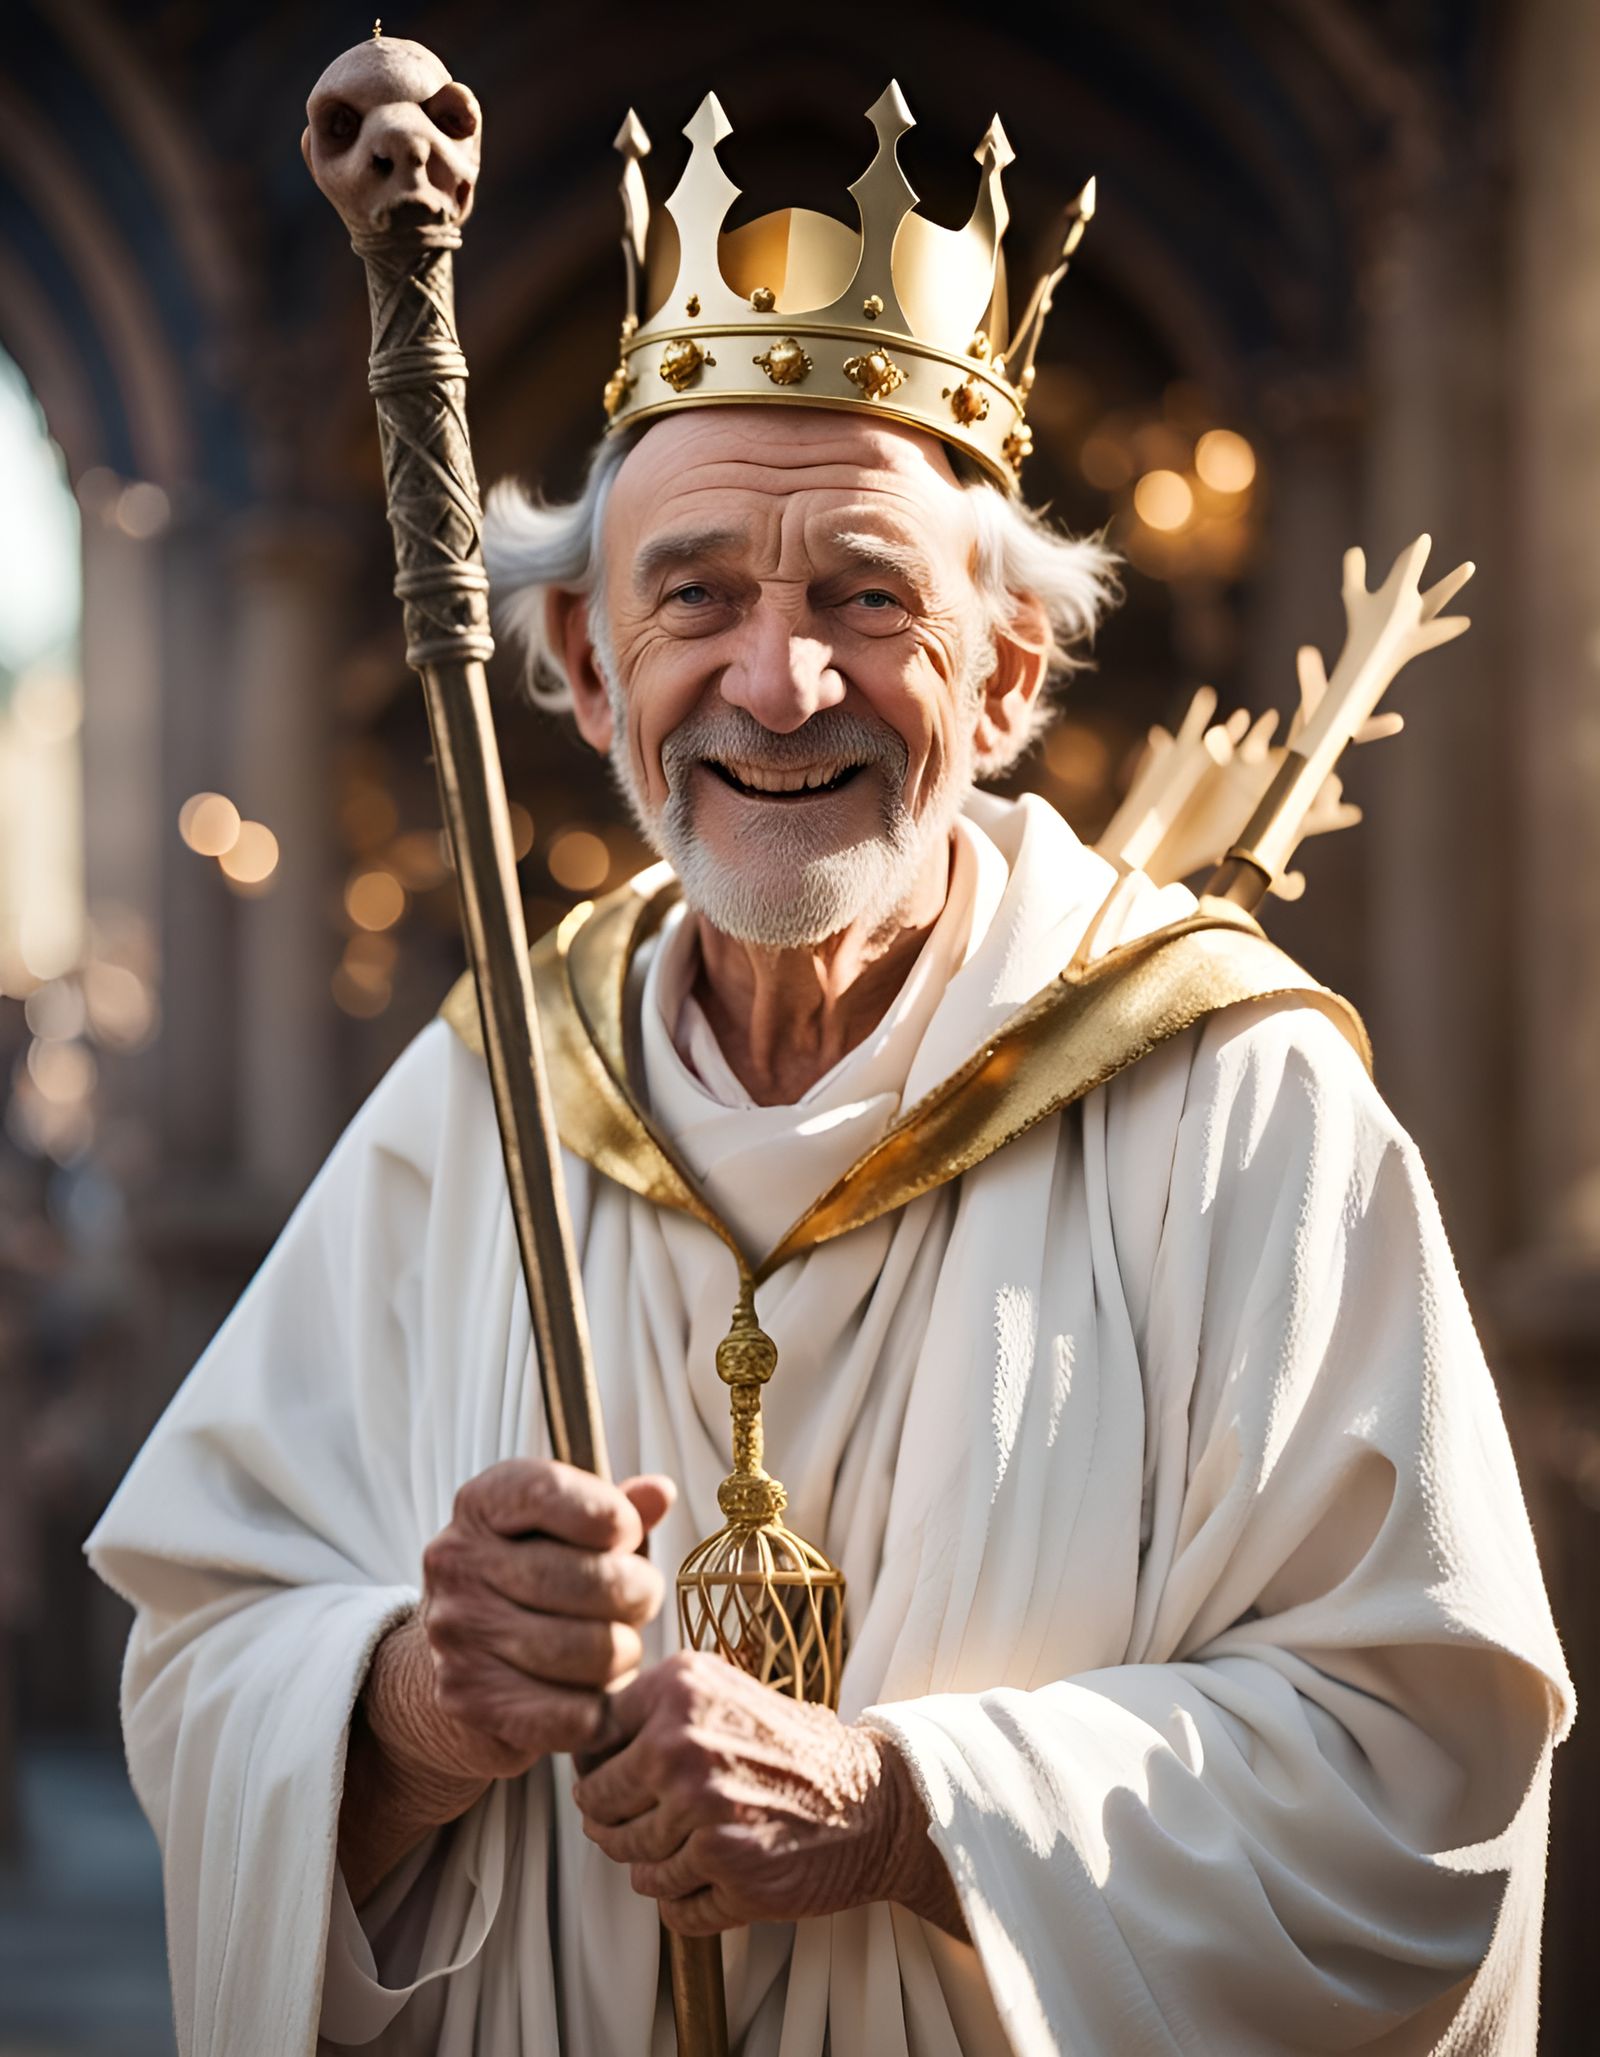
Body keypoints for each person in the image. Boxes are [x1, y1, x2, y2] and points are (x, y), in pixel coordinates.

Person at [89, 69, 1571, 2057]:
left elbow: (1417, 1781)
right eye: (694, 596)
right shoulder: (483, 1104)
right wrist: (415, 1706)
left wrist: (907, 1814)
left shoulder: (1233, 1103)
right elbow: (206, 1658)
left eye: (864, 598)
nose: (776, 685)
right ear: (591, 678)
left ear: (1007, 673)